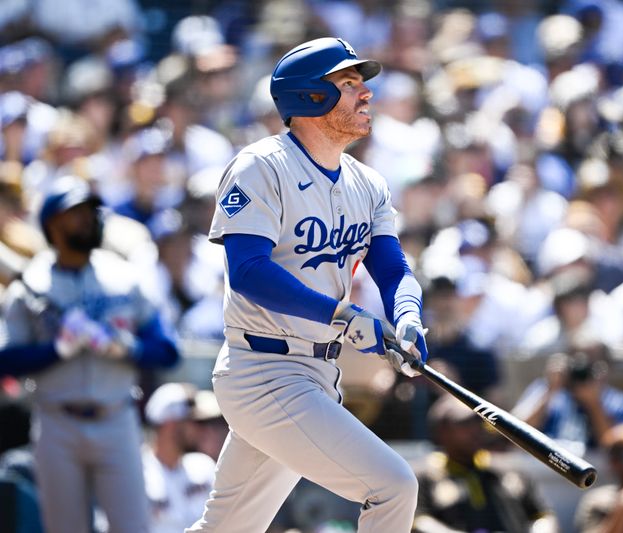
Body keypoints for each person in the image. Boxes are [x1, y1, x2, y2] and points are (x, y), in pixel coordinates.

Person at [189, 37, 429, 533]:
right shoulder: (261, 166)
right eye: (348, 83)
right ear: (310, 97)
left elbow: (392, 269)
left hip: (315, 372)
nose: (365, 94)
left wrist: (406, 316)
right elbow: (249, 271)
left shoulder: (368, 182)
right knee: (394, 487)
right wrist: (341, 317)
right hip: (265, 370)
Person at [0, 175, 180, 533]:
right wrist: (57, 349)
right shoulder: (31, 285)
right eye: (76, 213)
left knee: (133, 527)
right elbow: (7, 360)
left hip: (117, 417)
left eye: (90, 211)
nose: (88, 219)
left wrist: (127, 347)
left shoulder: (125, 277)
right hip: (56, 421)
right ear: (53, 224)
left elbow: (168, 351)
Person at [413, 395, 556, 533]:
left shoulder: (509, 471)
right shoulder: (424, 477)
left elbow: (542, 516)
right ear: (441, 431)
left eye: (478, 422)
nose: (476, 429)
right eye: (465, 423)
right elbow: (418, 522)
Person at [512, 343, 623, 450]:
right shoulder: (545, 389)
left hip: (596, 471)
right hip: (546, 464)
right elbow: (515, 434)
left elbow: (618, 450)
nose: (583, 370)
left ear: (609, 368)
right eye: (578, 363)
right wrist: (550, 392)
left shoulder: (618, 401)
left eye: (592, 365)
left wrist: (594, 405)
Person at [143, 382, 217, 533]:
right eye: (195, 422)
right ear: (171, 425)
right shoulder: (136, 475)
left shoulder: (203, 466)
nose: (202, 430)